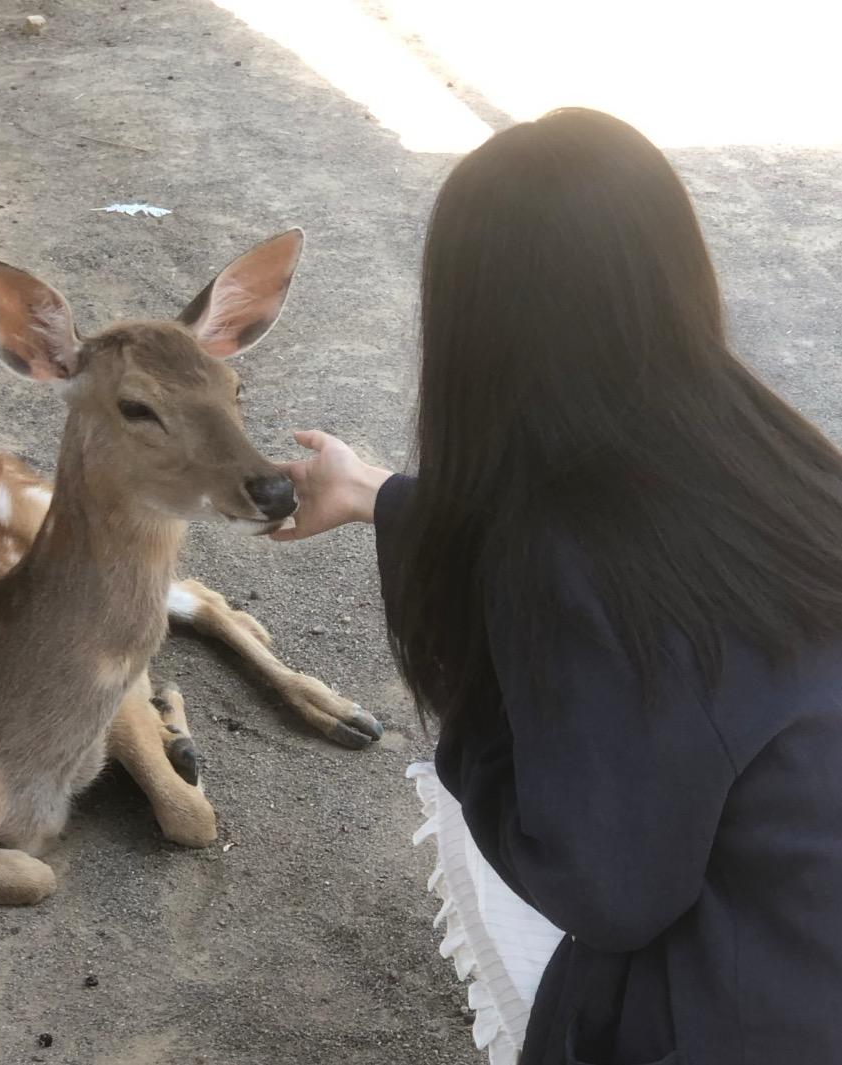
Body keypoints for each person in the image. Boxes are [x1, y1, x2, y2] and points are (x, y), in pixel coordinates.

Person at [272, 108, 842, 1063]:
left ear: (473, 332)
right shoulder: (773, 452)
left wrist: (477, 748)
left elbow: (606, 888)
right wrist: (374, 492)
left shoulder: (572, 555)